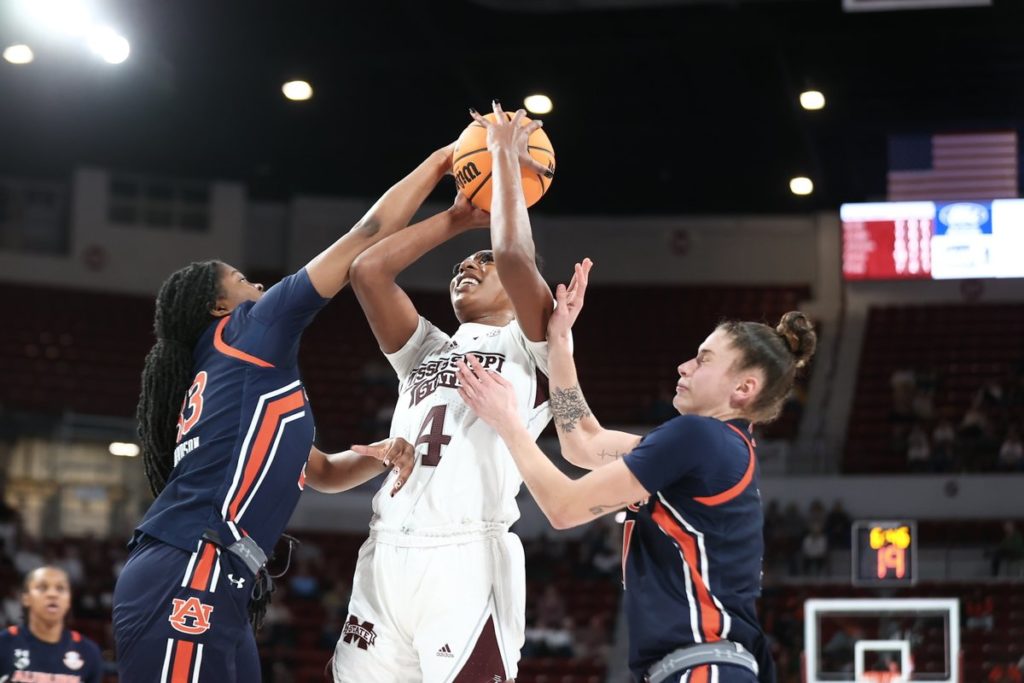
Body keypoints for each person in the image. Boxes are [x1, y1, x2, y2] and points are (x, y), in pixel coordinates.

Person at [109, 141, 462, 681]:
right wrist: (442, 167)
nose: (262, 285)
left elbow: (319, 472)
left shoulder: (237, 377)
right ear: (219, 308)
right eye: (246, 281)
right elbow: (365, 236)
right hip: (191, 566)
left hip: (217, 576)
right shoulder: (244, 335)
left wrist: (384, 454)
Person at [456, 265, 817, 683]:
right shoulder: (714, 447)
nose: (684, 366)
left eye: (703, 360)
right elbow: (583, 441)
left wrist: (508, 423)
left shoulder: (700, 437)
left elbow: (564, 508)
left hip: (705, 668)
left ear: (743, 389)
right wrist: (559, 343)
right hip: (702, 666)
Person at [330, 101, 567, 683]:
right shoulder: (428, 348)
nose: (467, 266)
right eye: (461, 263)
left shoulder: (533, 343)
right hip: (386, 552)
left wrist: (506, 164)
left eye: (479, 261)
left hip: (464, 558)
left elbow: (513, 252)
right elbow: (368, 272)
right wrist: (454, 211)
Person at [0, 565, 103, 682]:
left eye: (60, 588)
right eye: (42, 587)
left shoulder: (88, 652)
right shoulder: (3, 643)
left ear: (69, 600)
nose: (52, 594)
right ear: (26, 598)